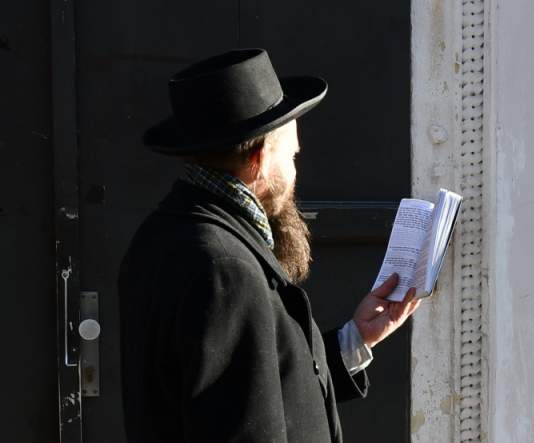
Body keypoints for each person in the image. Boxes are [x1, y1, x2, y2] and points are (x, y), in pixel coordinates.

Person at [118, 48, 421, 443]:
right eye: (291, 156)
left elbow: (265, 389)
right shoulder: (224, 270)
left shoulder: (163, 234)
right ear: (260, 158)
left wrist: (356, 339)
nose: (295, 171)